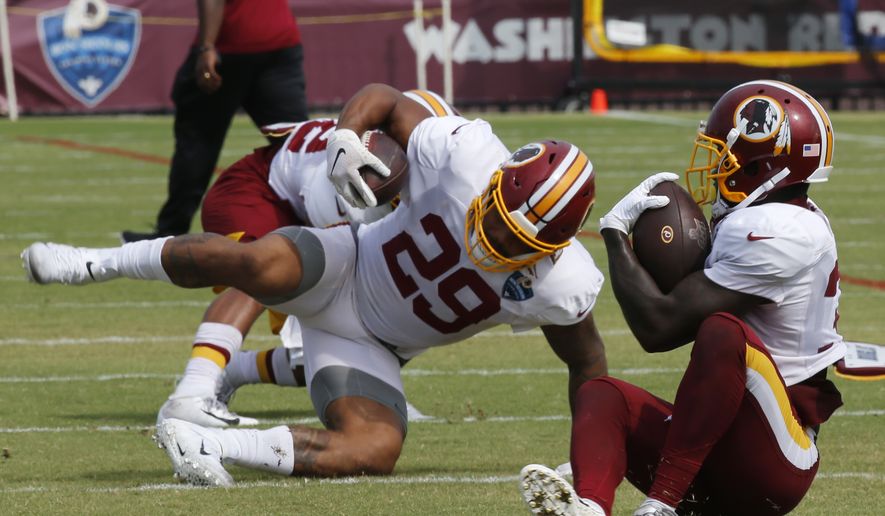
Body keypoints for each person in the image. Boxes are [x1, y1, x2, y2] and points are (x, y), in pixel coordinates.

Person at [21, 83, 608, 486]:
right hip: (345, 267)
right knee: (255, 265)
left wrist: (588, 461)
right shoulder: (465, 155)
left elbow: (588, 364)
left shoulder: (563, 284)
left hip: (373, 351)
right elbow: (384, 99)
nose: (493, 240)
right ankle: (94, 262)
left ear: (555, 247)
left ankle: (208, 445)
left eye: (515, 242)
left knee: (377, 449)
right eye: (496, 217)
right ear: (497, 179)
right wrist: (345, 137)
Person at [519, 79, 846, 516]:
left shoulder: (782, 229)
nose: (715, 166)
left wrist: (616, 235)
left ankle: (660, 504)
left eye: (725, 155)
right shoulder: (779, 218)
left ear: (761, 165)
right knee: (600, 395)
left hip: (776, 456)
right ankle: (590, 507)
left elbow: (659, 327)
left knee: (723, 333)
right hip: (721, 444)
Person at [154, 90, 457, 429]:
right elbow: (345, 248)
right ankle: (192, 391)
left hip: (309, 203)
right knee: (260, 272)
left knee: (337, 350)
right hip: (257, 189)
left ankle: (235, 370)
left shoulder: (433, 136)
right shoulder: (361, 180)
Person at [122, 0, 308, 243]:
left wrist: (206, 47)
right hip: (278, 41)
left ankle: (170, 231)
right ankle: (324, 224)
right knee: (297, 146)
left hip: (229, 48)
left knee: (197, 145)